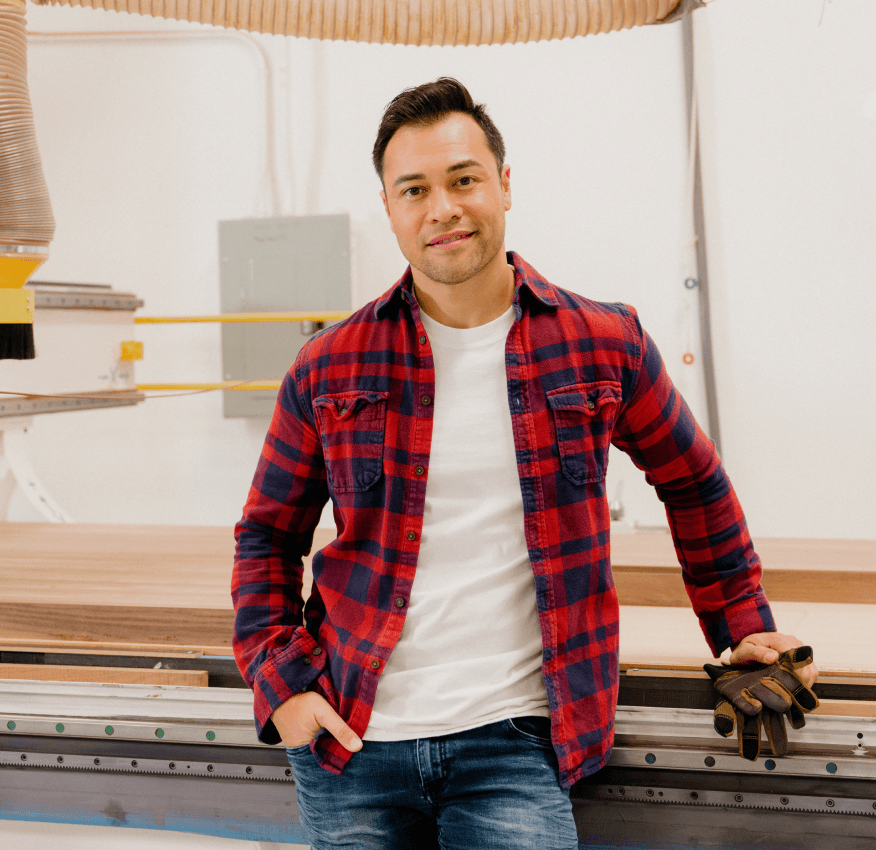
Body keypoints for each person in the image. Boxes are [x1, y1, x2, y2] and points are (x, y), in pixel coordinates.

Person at [232, 77, 816, 850]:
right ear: (390, 209)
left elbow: (694, 484)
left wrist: (742, 628)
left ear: (504, 185)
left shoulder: (603, 342)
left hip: (513, 744)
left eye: (463, 179)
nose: (443, 207)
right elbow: (266, 537)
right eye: (415, 189)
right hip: (352, 744)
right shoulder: (328, 366)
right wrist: (284, 688)